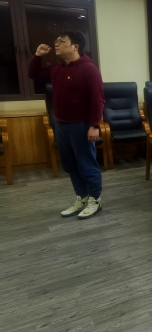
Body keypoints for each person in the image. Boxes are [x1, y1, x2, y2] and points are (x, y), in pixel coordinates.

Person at [28, 31, 105, 219]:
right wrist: (37, 56)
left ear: (75, 46)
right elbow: (33, 74)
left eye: (61, 41)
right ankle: (82, 198)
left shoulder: (89, 69)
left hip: (81, 126)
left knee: (87, 165)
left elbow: (98, 99)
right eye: (56, 41)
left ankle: (95, 200)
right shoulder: (57, 68)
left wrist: (95, 125)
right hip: (61, 125)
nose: (56, 44)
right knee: (71, 166)